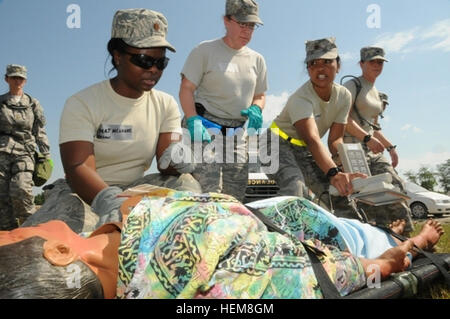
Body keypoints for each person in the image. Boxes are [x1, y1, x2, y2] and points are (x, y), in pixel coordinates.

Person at [3, 189, 444, 299]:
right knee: (391, 234)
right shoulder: (225, 287)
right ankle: (409, 230)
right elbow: (356, 272)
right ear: (58, 254)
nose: (8, 231)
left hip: (290, 215)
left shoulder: (127, 242)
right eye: (10, 237)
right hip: (336, 236)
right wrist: (408, 250)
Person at [50, 8, 201, 232]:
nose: (153, 70)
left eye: (161, 63)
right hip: (86, 193)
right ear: (117, 56)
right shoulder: (82, 102)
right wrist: (109, 200)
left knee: (187, 185)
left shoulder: (165, 103)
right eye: (143, 60)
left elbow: (165, 161)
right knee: (59, 241)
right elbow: (77, 166)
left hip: (136, 190)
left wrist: (178, 158)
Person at [179, 0, 268, 202]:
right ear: (226, 21)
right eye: (242, 24)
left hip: (236, 134)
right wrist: (192, 119)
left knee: (235, 196)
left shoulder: (257, 60)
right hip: (204, 127)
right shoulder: (204, 50)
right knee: (208, 194)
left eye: (252, 26)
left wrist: (256, 108)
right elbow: (186, 88)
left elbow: (260, 94)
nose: (247, 31)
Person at [263, 37, 363, 213]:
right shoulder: (301, 98)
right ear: (308, 69)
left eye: (327, 61)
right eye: (313, 63)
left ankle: (347, 236)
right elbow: (313, 139)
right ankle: (286, 237)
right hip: (275, 144)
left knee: (339, 193)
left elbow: (335, 139)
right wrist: (334, 173)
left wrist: (345, 163)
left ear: (338, 65)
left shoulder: (344, 96)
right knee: (295, 187)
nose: (320, 68)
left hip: (305, 149)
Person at [342, 47, 413, 232]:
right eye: (372, 61)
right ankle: (379, 235)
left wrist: (391, 148)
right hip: (352, 148)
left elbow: (374, 128)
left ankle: (406, 236)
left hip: (370, 147)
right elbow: (343, 119)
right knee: (367, 193)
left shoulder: (375, 92)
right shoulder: (353, 85)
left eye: (380, 62)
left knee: (395, 185)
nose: (376, 65)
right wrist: (366, 138)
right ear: (361, 63)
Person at [0, 64, 50, 230]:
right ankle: (6, 234)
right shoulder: (1, 103)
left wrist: (45, 155)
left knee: (21, 189)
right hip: (2, 152)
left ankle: (30, 229)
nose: (17, 80)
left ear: (25, 80)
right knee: (2, 196)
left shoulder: (32, 104)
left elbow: (39, 130)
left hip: (25, 152)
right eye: (13, 77)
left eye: (20, 78)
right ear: (7, 79)